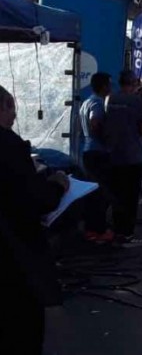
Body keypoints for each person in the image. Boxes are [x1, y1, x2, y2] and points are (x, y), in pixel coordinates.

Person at [0, 84, 69, 353]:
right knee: (21, 327)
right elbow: (33, 199)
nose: (14, 118)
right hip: (14, 256)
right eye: (11, 111)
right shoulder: (9, 145)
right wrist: (57, 185)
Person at [104, 70, 142, 247]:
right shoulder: (136, 101)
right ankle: (128, 235)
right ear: (133, 83)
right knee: (131, 197)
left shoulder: (110, 99)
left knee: (117, 196)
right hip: (132, 156)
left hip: (114, 155)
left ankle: (117, 232)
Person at [79, 72, 114, 243]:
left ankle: (92, 228)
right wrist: (105, 138)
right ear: (104, 86)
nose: (111, 87)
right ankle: (98, 230)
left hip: (88, 151)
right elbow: (94, 122)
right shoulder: (98, 103)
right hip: (98, 153)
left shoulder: (86, 101)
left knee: (94, 193)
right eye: (110, 84)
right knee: (102, 193)